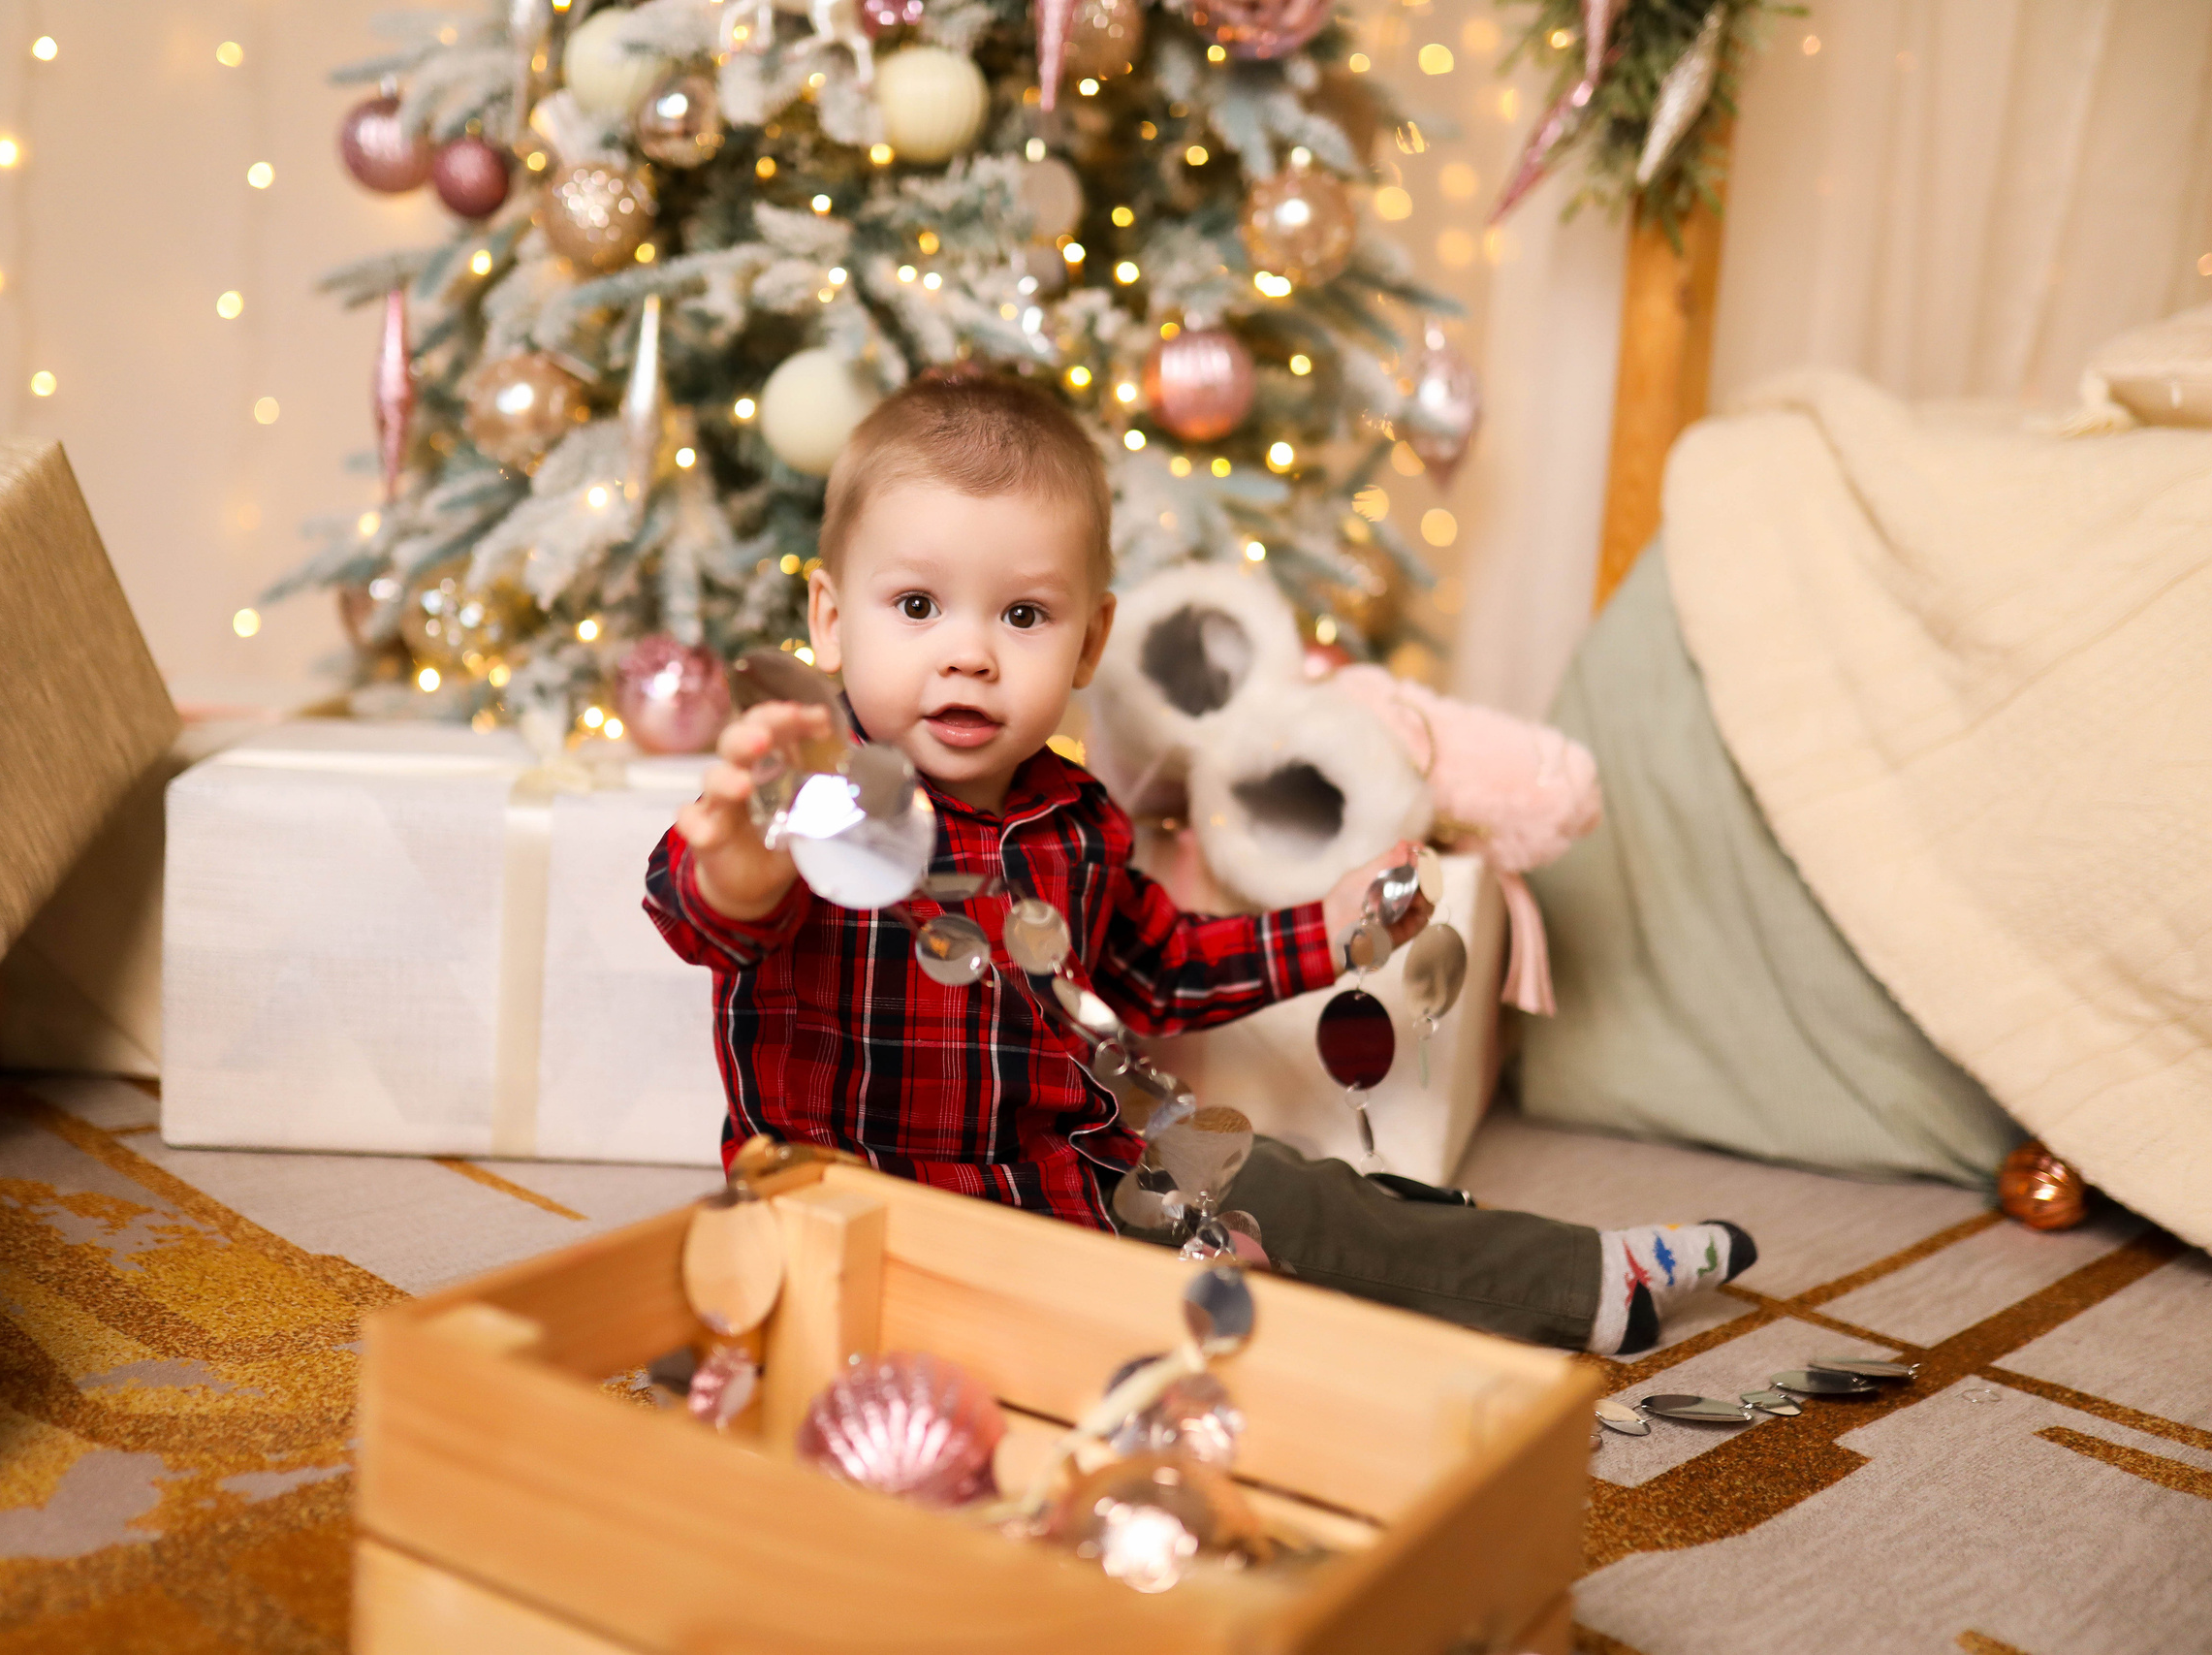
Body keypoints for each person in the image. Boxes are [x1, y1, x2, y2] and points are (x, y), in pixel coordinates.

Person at [645, 374, 1750, 1354]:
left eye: (1022, 614)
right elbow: (709, 915)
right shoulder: (811, 795)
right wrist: (748, 864)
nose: (969, 652)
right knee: (1169, 1336)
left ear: (1087, 642)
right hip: (854, 1209)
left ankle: (1586, 1281)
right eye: (918, 606)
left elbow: (1162, 969)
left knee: (1297, 1195)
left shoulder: (1077, 820)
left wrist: (1330, 925)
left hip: (1062, 1180)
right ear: (832, 622)